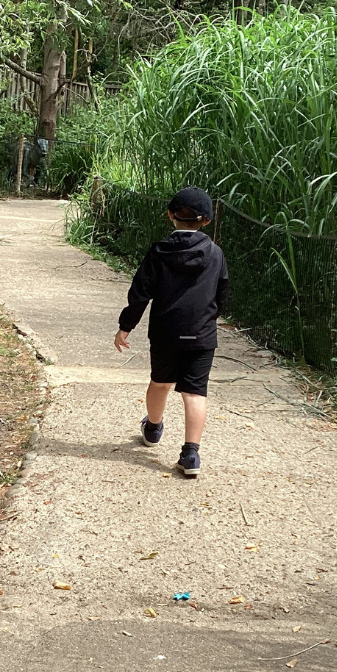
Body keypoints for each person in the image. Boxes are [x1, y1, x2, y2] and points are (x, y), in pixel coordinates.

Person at [113, 187, 229, 477]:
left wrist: (126, 326)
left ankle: (152, 429)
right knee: (195, 393)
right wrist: (211, 317)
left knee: (160, 382)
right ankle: (190, 455)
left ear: (170, 216)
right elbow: (222, 293)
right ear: (206, 221)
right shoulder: (215, 253)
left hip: (166, 331)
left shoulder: (159, 251)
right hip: (201, 334)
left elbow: (140, 293)